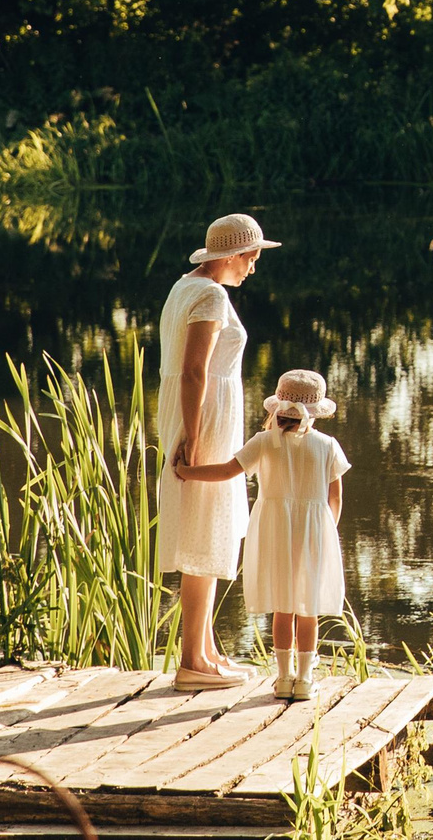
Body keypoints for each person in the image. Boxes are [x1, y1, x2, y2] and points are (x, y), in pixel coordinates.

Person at [156, 212, 280, 691]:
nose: (253, 267)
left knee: (205, 532)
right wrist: (191, 434)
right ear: (232, 255)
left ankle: (204, 650)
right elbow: (193, 371)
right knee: (204, 533)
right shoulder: (210, 294)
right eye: (251, 257)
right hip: (202, 420)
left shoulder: (183, 287)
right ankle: (193, 661)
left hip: (199, 416)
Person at [176, 368, 350, 699]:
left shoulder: (263, 442)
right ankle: (305, 680)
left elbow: (227, 471)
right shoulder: (328, 445)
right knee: (307, 608)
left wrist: (187, 471)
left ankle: (283, 678)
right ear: (316, 411)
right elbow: (335, 498)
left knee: (282, 606)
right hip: (314, 532)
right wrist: (327, 531)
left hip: (274, 529)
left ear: (278, 407)